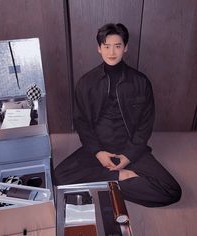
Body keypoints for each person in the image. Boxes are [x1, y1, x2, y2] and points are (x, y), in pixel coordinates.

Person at [54, 23, 181, 207]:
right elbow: (81, 123)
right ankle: (119, 178)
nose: (112, 52)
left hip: (130, 149)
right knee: (59, 177)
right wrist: (98, 153)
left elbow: (145, 126)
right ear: (99, 48)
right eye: (106, 46)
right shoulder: (86, 82)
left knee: (172, 192)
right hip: (98, 148)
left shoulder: (141, 82)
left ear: (126, 47)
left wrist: (128, 157)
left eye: (117, 46)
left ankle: (106, 181)